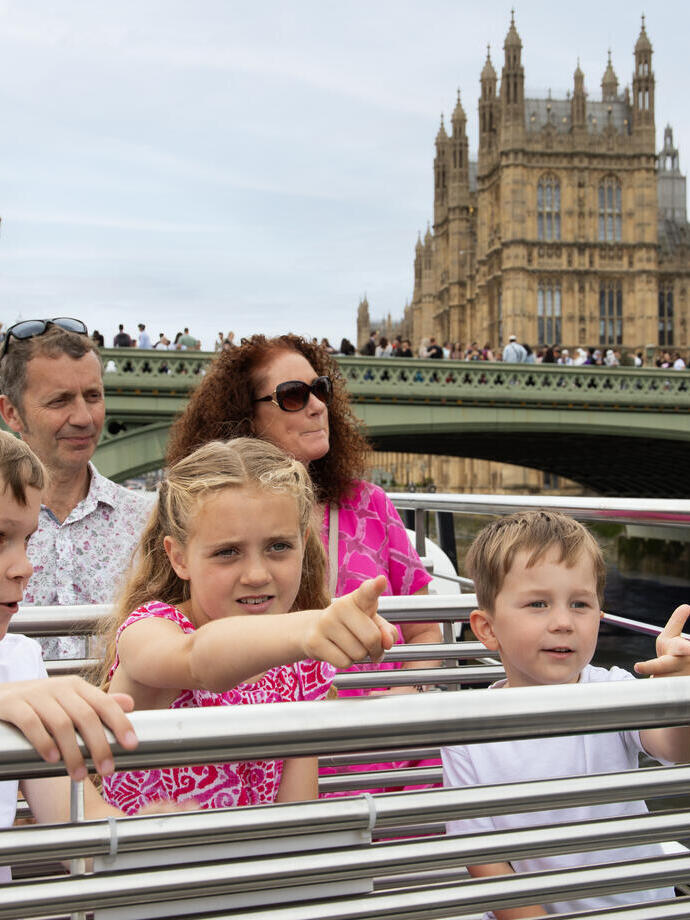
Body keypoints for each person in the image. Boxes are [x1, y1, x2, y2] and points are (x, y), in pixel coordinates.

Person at [165, 334, 440, 790]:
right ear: (246, 416)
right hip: (266, 763)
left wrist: (400, 700)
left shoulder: (371, 506)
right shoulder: (206, 524)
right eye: (294, 395)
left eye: (321, 389)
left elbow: (426, 629)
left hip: (389, 757)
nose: (316, 405)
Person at [96, 438, 396, 813]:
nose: (256, 574)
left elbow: (294, 819)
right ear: (179, 558)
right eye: (227, 552)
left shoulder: (302, 662)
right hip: (149, 866)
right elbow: (197, 660)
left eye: (278, 547)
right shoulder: (151, 631)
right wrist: (305, 630)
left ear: (304, 545)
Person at [442, 509, 690, 919]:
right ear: (487, 629)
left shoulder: (613, 692)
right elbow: (485, 863)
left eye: (580, 604)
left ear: (599, 617)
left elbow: (675, 747)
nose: (563, 623)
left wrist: (682, 693)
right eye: (538, 603)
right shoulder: (468, 732)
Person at [0, 430, 175, 881]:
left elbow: (73, 824)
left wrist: (158, 840)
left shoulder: (19, 664)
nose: (23, 567)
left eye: (25, 540)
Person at [0, 319, 155, 659]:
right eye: (60, 401)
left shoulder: (151, 523)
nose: (84, 417)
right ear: (11, 412)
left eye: (93, 396)